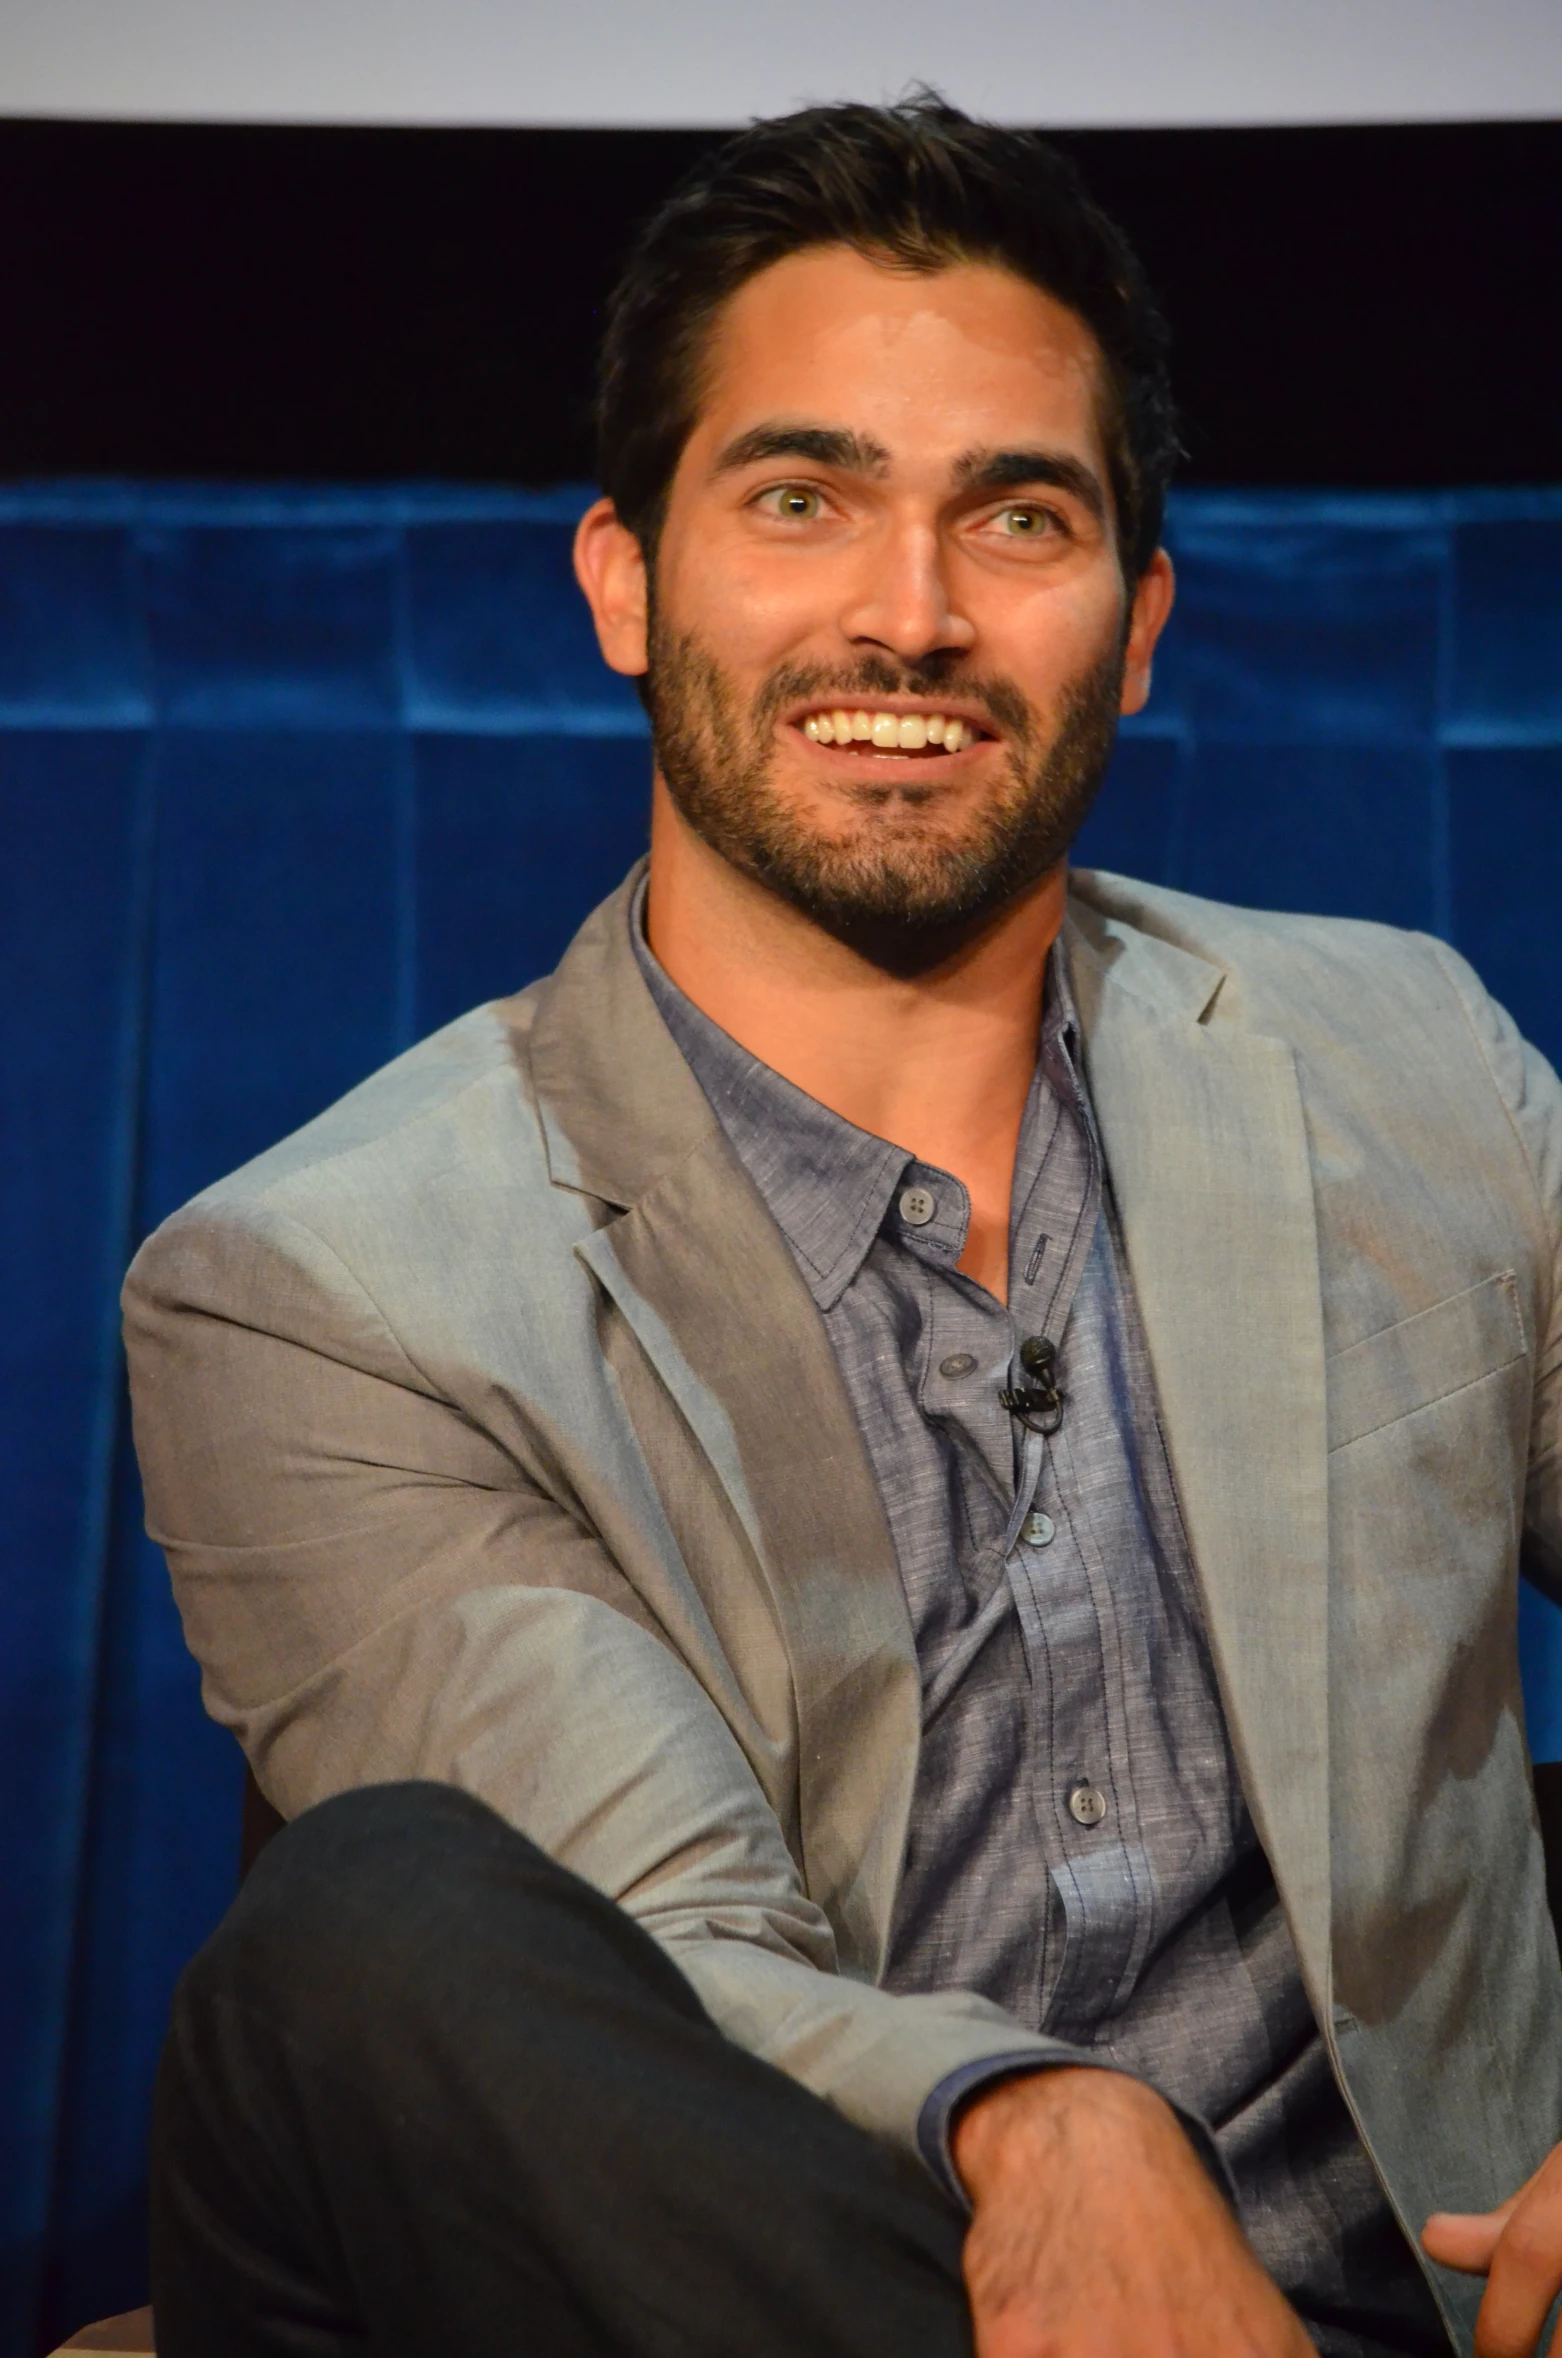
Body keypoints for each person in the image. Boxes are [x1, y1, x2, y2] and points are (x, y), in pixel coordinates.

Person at [123, 95, 1562, 2358]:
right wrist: (1046, 2124)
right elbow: (653, 1948)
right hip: (832, 2285)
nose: (909, 612)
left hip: (1432, 2293)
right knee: (370, 1935)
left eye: (1015, 516)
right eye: (801, 501)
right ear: (626, 581)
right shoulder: (321, 1284)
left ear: (1141, 618)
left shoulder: (1410, 1057)